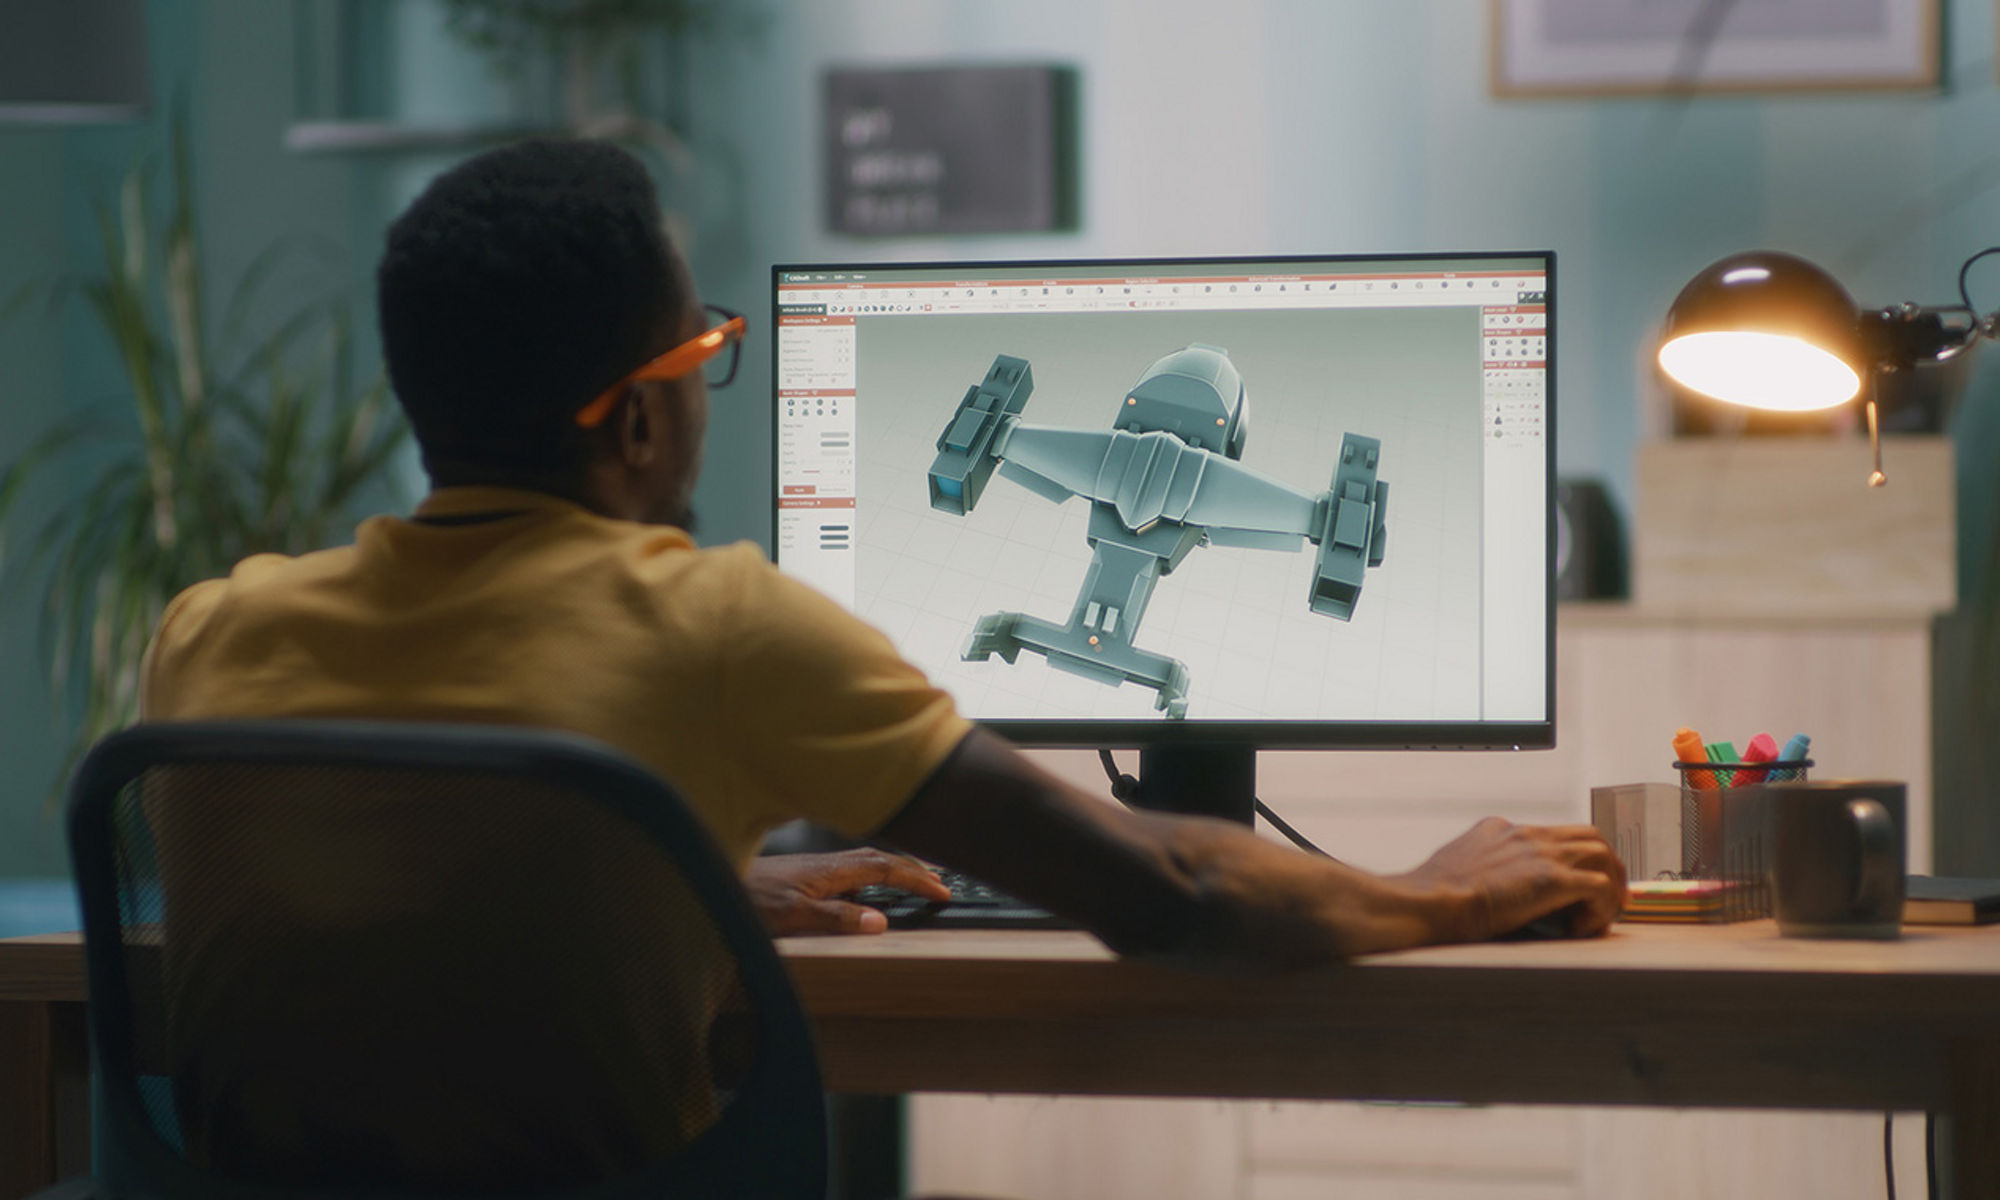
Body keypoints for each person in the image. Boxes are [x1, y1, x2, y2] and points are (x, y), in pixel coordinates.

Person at [138, 138, 1624, 1179]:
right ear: (637, 419)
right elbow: (1163, 893)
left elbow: (398, 888)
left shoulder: (210, 633)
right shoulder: (712, 622)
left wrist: (689, 881)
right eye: (703, 357)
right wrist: (1447, 892)